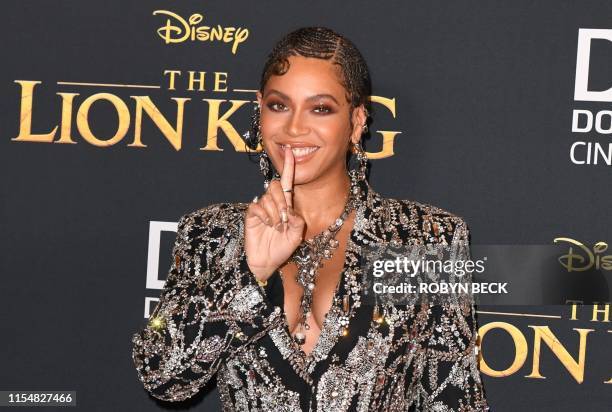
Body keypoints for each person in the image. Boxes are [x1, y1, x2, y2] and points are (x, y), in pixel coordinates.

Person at [132, 26, 490, 411]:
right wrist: (249, 271)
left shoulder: (421, 237)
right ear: (259, 108)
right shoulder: (210, 234)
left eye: (320, 108)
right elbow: (162, 375)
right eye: (278, 105)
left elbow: (454, 399)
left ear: (356, 122)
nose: (294, 128)